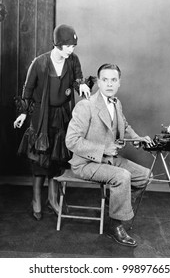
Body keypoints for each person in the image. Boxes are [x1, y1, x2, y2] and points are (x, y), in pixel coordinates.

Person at [65, 63, 154, 247]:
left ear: (119, 83)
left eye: (113, 80)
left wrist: (137, 138)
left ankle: (115, 208)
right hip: (85, 163)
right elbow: (71, 141)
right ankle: (116, 226)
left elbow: (124, 124)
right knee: (122, 176)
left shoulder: (116, 103)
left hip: (109, 160)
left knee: (146, 176)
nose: (109, 84)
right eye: (105, 80)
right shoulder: (86, 106)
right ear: (98, 82)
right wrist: (104, 149)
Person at [14, 24, 92, 221]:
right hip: (42, 117)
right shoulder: (39, 63)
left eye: (73, 46)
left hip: (63, 115)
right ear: (58, 44)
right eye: (68, 46)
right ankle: (36, 200)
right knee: (40, 161)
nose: (71, 50)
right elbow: (28, 90)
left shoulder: (72, 60)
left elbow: (77, 79)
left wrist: (81, 84)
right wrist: (23, 113)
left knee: (58, 160)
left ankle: (53, 199)